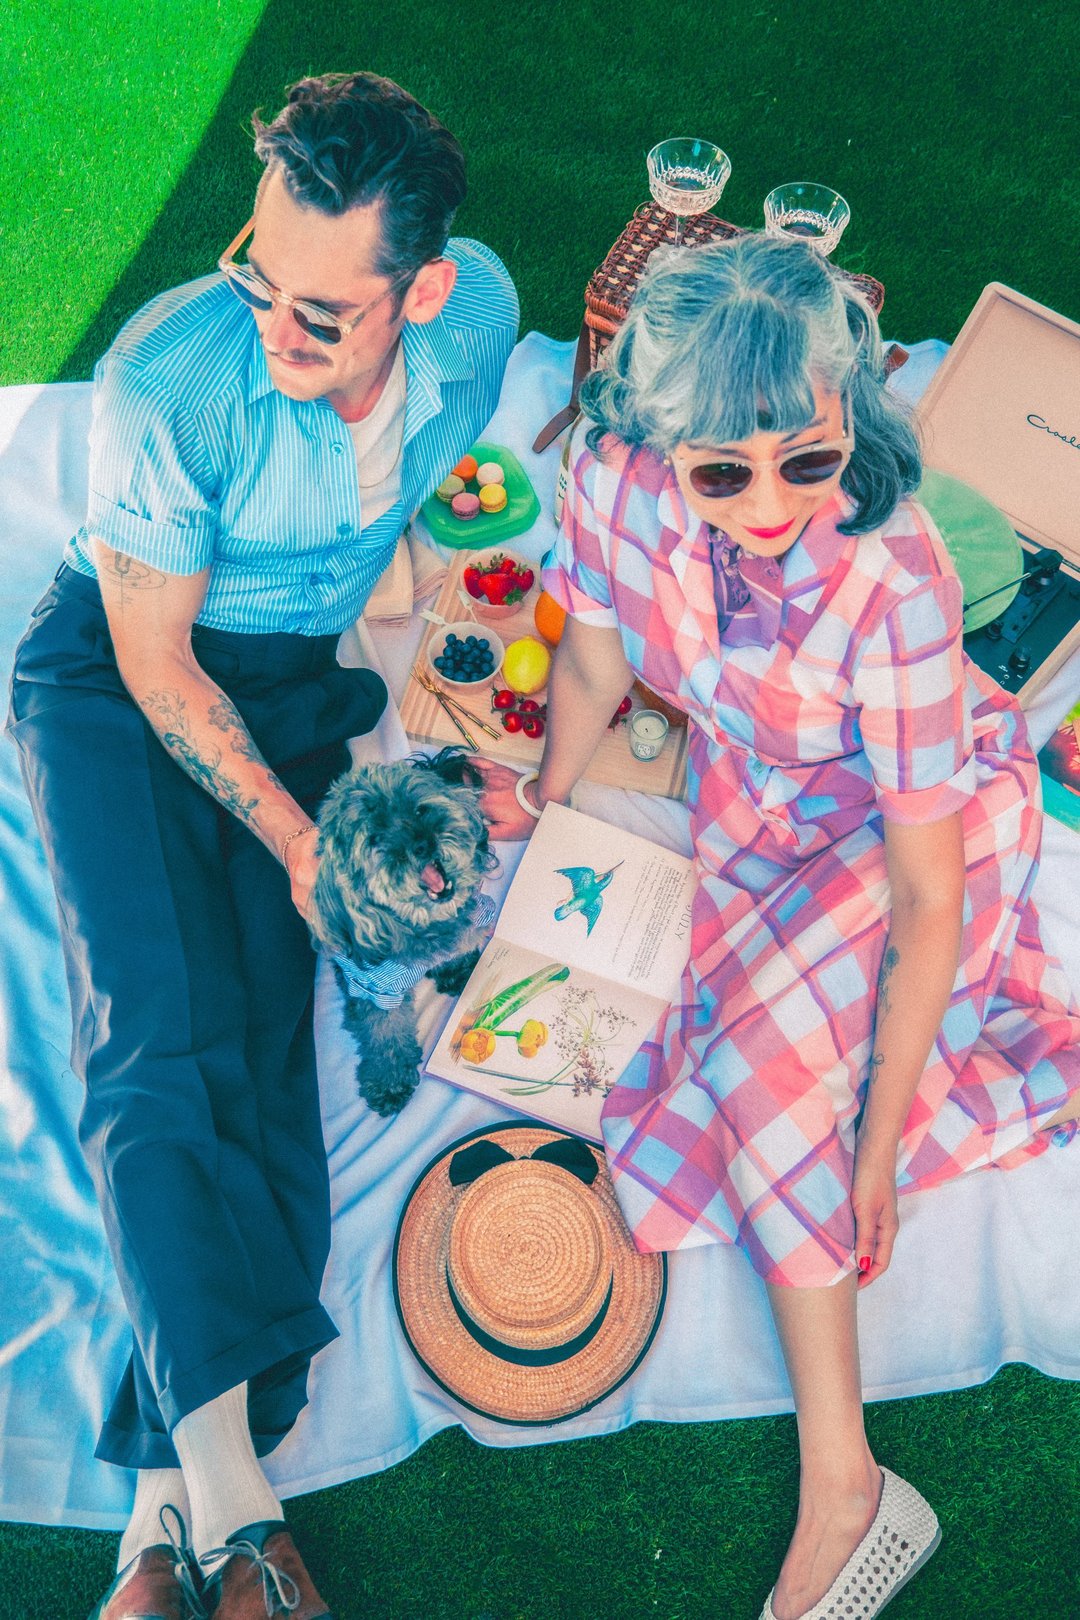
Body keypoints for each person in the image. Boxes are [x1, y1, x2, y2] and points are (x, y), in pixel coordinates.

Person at [484, 233, 1080, 1620]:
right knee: (681, 1093)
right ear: (661, 441)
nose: (769, 505)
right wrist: (554, 804)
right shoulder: (612, 482)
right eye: (724, 470)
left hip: (915, 827)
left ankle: (852, 1486)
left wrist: (876, 1140)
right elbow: (587, 651)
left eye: (808, 460)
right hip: (753, 819)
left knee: (764, 1090)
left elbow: (931, 892)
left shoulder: (900, 575)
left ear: (854, 425)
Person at [8, 71, 517, 1620]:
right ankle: (239, 1507)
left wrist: (455, 676)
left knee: (268, 1065)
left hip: (297, 695)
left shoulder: (480, 321)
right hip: (121, 688)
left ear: (417, 292)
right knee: (154, 1044)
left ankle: (154, 1516)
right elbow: (159, 671)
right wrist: (305, 848)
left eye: (320, 315)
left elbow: (444, 507)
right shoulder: (169, 380)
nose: (273, 327)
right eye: (256, 274)